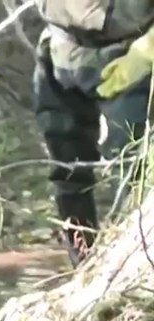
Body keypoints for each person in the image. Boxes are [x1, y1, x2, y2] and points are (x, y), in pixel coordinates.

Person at [32, 1, 154, 266]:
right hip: (59, 50)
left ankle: (136, 267)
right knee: (67, 174)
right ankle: (84, 269)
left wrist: (148, 50)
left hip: (131, 55)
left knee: (135, 175)